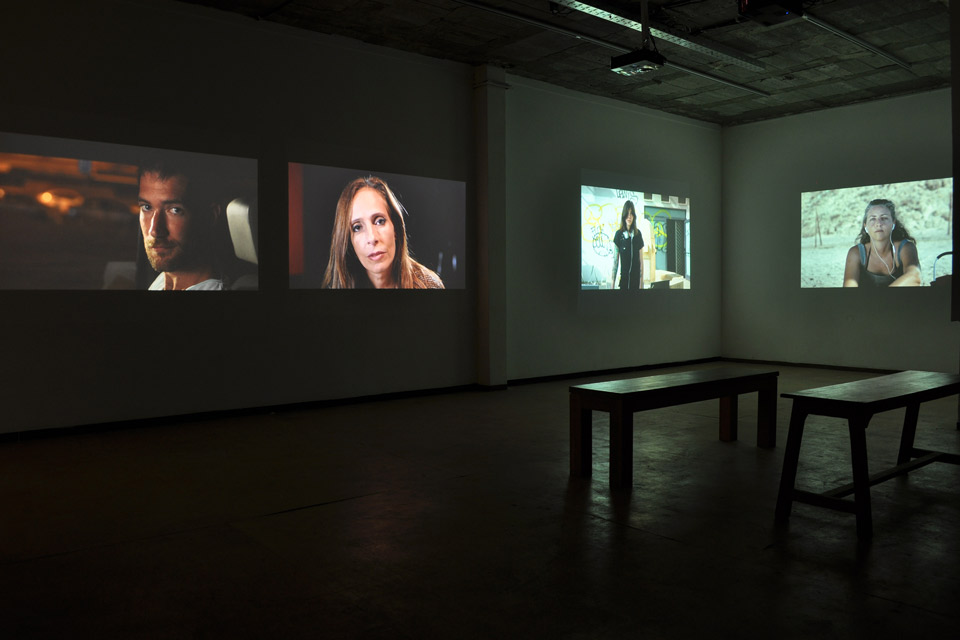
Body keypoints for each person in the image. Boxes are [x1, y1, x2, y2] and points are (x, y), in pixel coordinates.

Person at [322, 176, 444, 289]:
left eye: (380, 221)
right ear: (348, 241)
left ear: (395, 227)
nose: (372, 237)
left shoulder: (429, 285)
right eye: (357, 227)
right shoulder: (337, 286)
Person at [137, 156, 232, 290]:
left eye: (175, 210)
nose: (154, 230)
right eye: (147, 207)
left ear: (210, 216)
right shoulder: (163, 282)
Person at [843, 199, 921, 287]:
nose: (878, 223)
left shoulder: (905, 248)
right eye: (872, 219)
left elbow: (914, 276)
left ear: (893, 223)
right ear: (865, 225)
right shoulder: (856, 253)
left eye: (884, 218)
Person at [611, 200, 644, 290]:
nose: (629, 216)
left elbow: (641, 261)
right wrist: (612, 285)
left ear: (634, 216)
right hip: (624, 282)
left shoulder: (638, 235)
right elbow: (615, 262)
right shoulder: (619, 235)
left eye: (631, 213)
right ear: (624, 215)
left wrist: (641, 284)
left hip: (636, 283)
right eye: (627, 213)